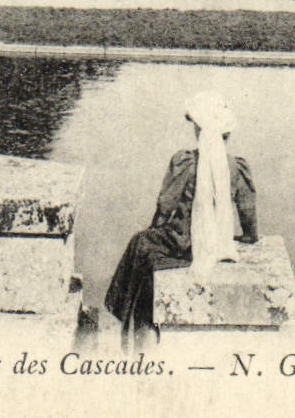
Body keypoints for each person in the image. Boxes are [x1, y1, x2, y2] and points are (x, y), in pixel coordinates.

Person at [103, 91, 258, 344]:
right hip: (217, 240)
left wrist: (156, 228)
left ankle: (130, 328)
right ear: (227, 134)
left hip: (183, 243)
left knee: (140, 245)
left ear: (199, 131)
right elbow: (248, 211)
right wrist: (248, 236)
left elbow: (165, 205)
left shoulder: (185, 161)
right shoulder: (237, 166)